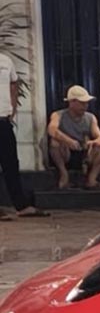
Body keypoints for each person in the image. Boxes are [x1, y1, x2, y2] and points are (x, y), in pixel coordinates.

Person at [0, 51, 48, 220]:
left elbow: (13, 84)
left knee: (11, 164)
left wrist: (13, 108)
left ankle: (21, 206)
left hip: (3, 120)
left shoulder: (6, 60)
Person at [48, 85, 100, 190]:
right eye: (82, 103)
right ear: (71, 102)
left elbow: (99, 137)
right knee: (55, 142)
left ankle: (92, 179)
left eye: (86, 103)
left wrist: (92, 142)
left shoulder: (90, 117)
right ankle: (64, 175)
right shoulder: (58, 115)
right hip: (66, 152)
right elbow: (51, 130)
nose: (85, 106)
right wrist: (67, 141)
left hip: (84, 152)